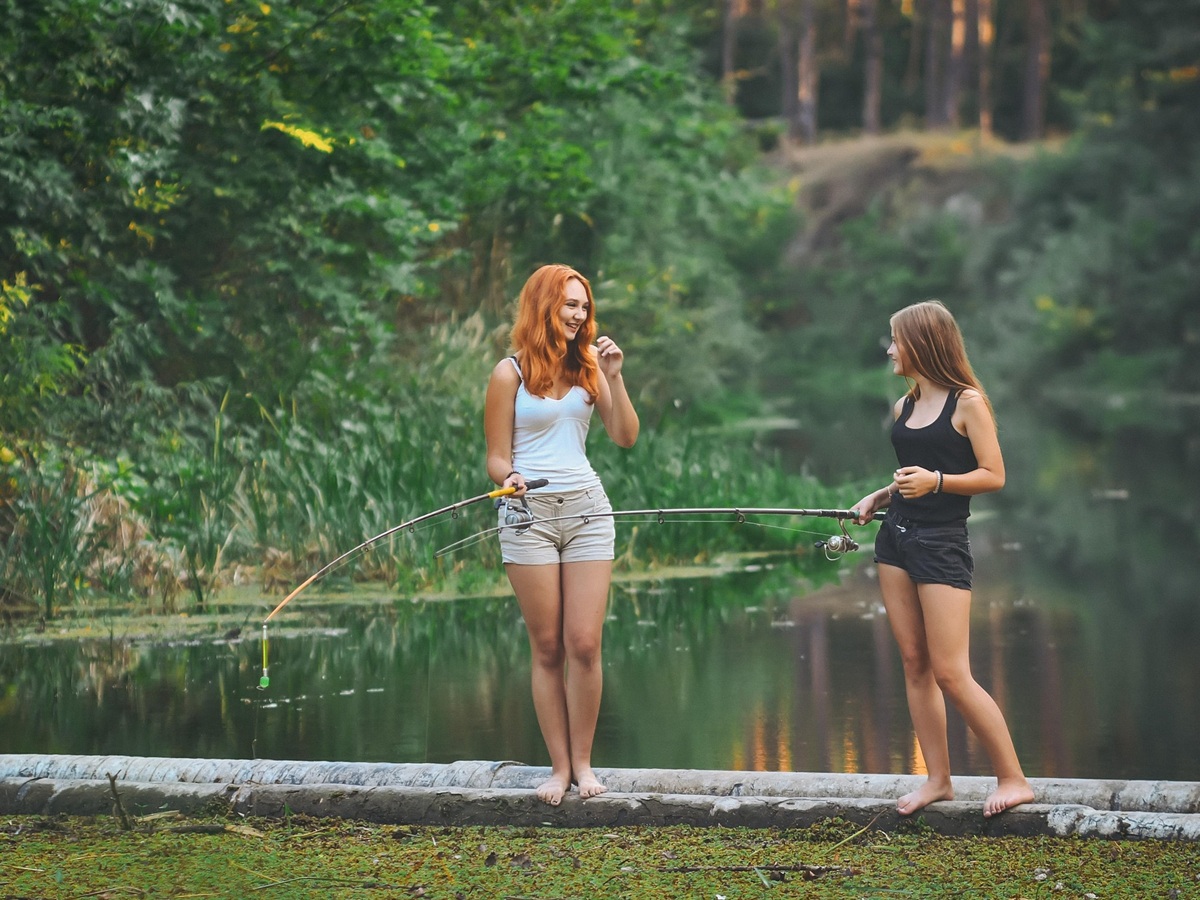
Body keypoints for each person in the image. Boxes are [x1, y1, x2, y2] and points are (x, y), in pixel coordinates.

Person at [850, 299, 1035, 819]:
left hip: (942, 543)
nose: (890, 349)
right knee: (914, 664)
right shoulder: (903, 406)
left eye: (895, 340)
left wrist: (938, 482)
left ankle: (1014, 778)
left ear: (923, 343)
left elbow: (993, 475)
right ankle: (939, 780)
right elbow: (912, 475)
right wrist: (879, 497)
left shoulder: (968, 403)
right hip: (895, 541)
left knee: (952, 671)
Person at [484, 263, 639, 806]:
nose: (578, 315)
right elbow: (497, 458)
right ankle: (557, 768)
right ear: (543, 305)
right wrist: (511, 479)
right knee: (548, 647)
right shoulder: (510, 374)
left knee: (585, 644)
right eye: (569, 304)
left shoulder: (592, 367)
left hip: (588, 512)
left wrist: (615, 376)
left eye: (583, 306)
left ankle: (585, 762)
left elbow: (624, 437)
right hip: (528, 517)